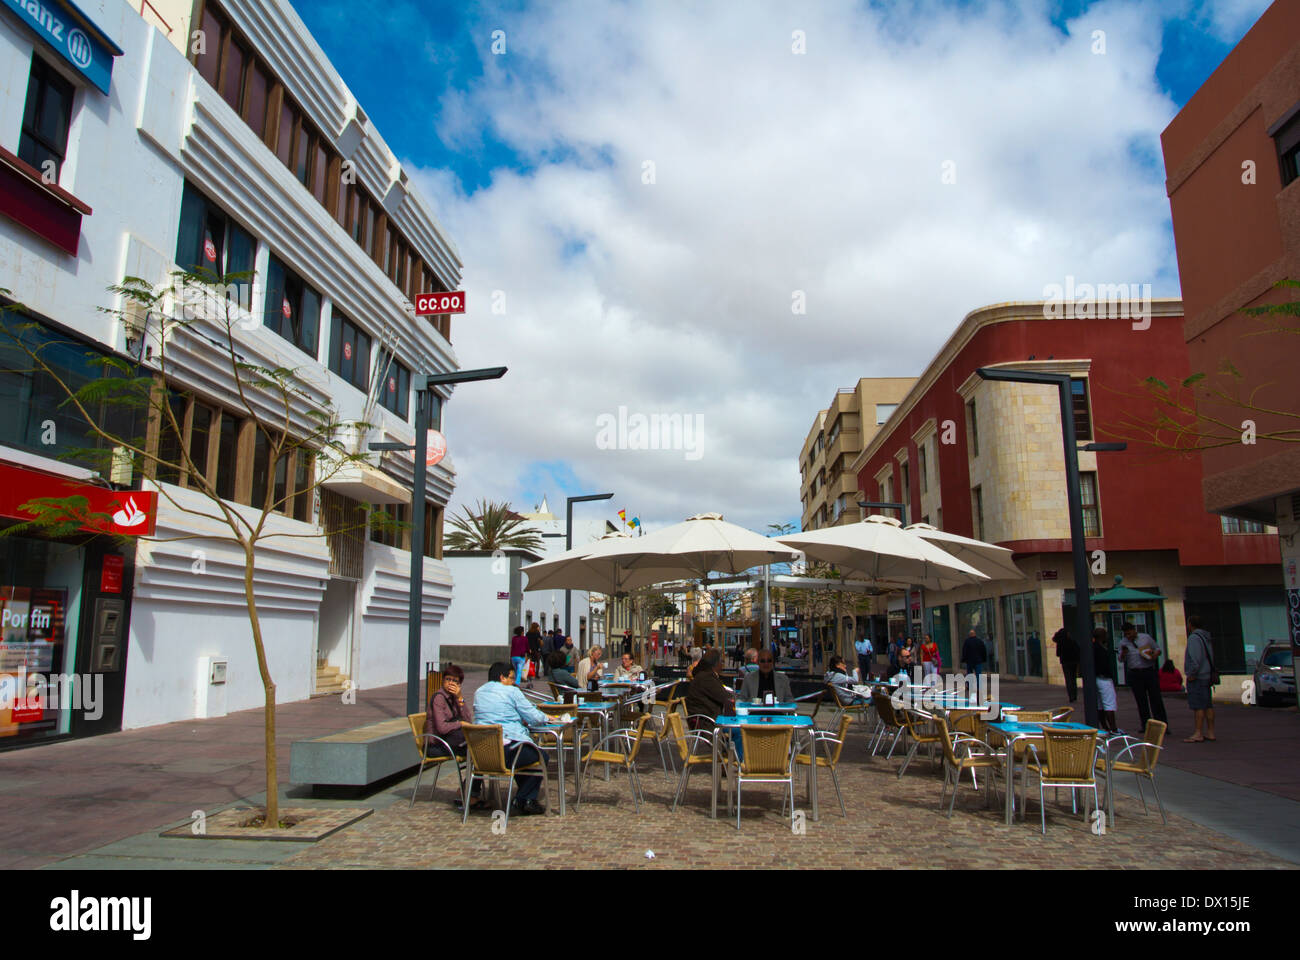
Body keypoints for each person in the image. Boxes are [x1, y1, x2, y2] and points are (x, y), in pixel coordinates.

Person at [473, 661, 551, 815]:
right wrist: (547, 717)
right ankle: (523, 798)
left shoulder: (478, 692)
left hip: (482, 752)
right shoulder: (511, 692)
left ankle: (527, 800)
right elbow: (534, 717)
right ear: (502, 677)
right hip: (506, 752)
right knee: (541, 756)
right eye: (511, 678)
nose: (514, 682)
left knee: (526, 756)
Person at [425, 663, 483, 809]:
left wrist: (460, 699)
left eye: (455, 681)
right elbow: (442, 728)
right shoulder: (439, 698)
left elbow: (468, 719)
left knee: (479, 752)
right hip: (437, 745)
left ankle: (469, 791)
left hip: (450, 742)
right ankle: (470, 794)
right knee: (477, 753)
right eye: (448, 679)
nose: (451, 683)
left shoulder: (454, 698)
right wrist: (460, 725)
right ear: (443, 680)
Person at [1119, 622, 1168, 730]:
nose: (1128, 636)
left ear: (1134, 630)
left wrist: (1154, 654)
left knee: (1155, 698)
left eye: (1130, 633)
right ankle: (1145, 725)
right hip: (1135, 672)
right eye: (1126, 634)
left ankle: (1161, 724)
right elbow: (1121, 659)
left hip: (1148, 671)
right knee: (1141, 700)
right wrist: (1123, 653)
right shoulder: (1123, 643)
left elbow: (1157, 649)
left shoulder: (1145, 638)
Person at [1183, 615, 1217, 743]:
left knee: (1198, 706)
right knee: (1208, 704)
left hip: (1198, 677)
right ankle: (1210, 731)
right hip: (1207, 675)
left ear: (1190, 624)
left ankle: (1198, 732)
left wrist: (1192, 673)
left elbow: (1195, 659)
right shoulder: (1206, 637)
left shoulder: (1194, 638)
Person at [684, 648, 734, 729]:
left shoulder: (703, 675)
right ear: (716, 664)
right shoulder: (706, 678)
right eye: (722, 662)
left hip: (707, 721)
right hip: (708, 724)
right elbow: (725, 696)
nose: (722, 665)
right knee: (740, 732)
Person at [1091, 627, 1118, 733]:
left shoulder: (1093, 647)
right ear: (1102, 636)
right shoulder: (1100, 649)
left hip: (1097, 678)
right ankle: (1113, 728)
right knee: (1109, 703)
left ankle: (1105, 726)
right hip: (1104, 678)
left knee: (1100, 704)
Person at [1052, 627, 1079, 703]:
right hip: (1073, 661)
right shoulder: (1072, 642)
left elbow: (1058, 654)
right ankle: (1074, 695)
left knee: (1068, 679)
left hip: (1065, 662)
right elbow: (1077, 651)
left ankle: (1071, 696)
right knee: (1073, 679)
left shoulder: (1060, 643)